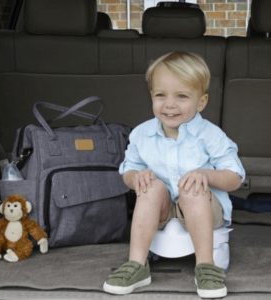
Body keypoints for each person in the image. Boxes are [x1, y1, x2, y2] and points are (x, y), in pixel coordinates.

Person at [102, 52, 245, 298]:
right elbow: (128, 169)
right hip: (162, 208)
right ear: (151, 97)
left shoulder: (210, 135)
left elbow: (235, 177)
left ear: (201, 102)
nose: (169, 104)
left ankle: (206, 266)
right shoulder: (141, 134)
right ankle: (137, 265)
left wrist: (206, 175)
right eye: (161, 95)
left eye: (181, 96)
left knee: (192, 187)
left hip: (205, 208)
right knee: (150, 187)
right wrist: (137, 177)